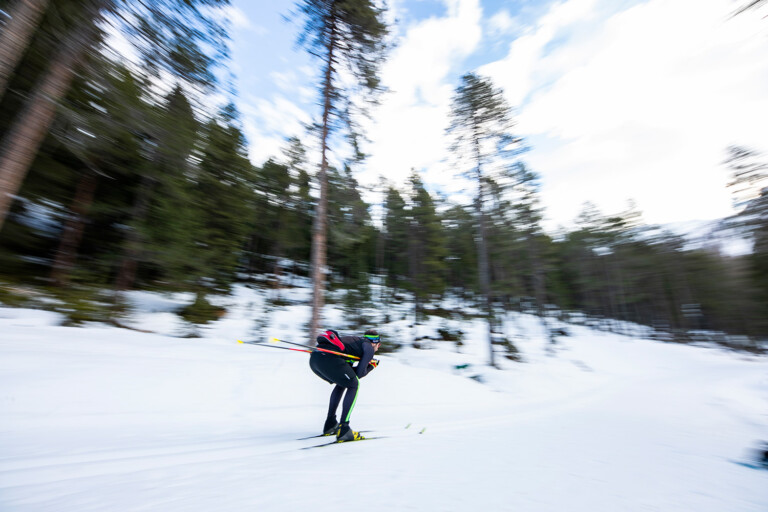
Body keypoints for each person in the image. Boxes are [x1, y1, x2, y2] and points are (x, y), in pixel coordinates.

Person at [309, 328, 381, 441]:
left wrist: (366, 366)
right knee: (354, 385)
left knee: (344, 382)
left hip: (315, 360)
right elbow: (359, 374)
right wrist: (372, 366)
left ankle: (330, 424)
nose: (377, 349)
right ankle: (344, 428)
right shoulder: (369, 348)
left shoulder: (354, 343)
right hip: (329, 358)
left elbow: (351, 373)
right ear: (377, 344)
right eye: (378, 346)